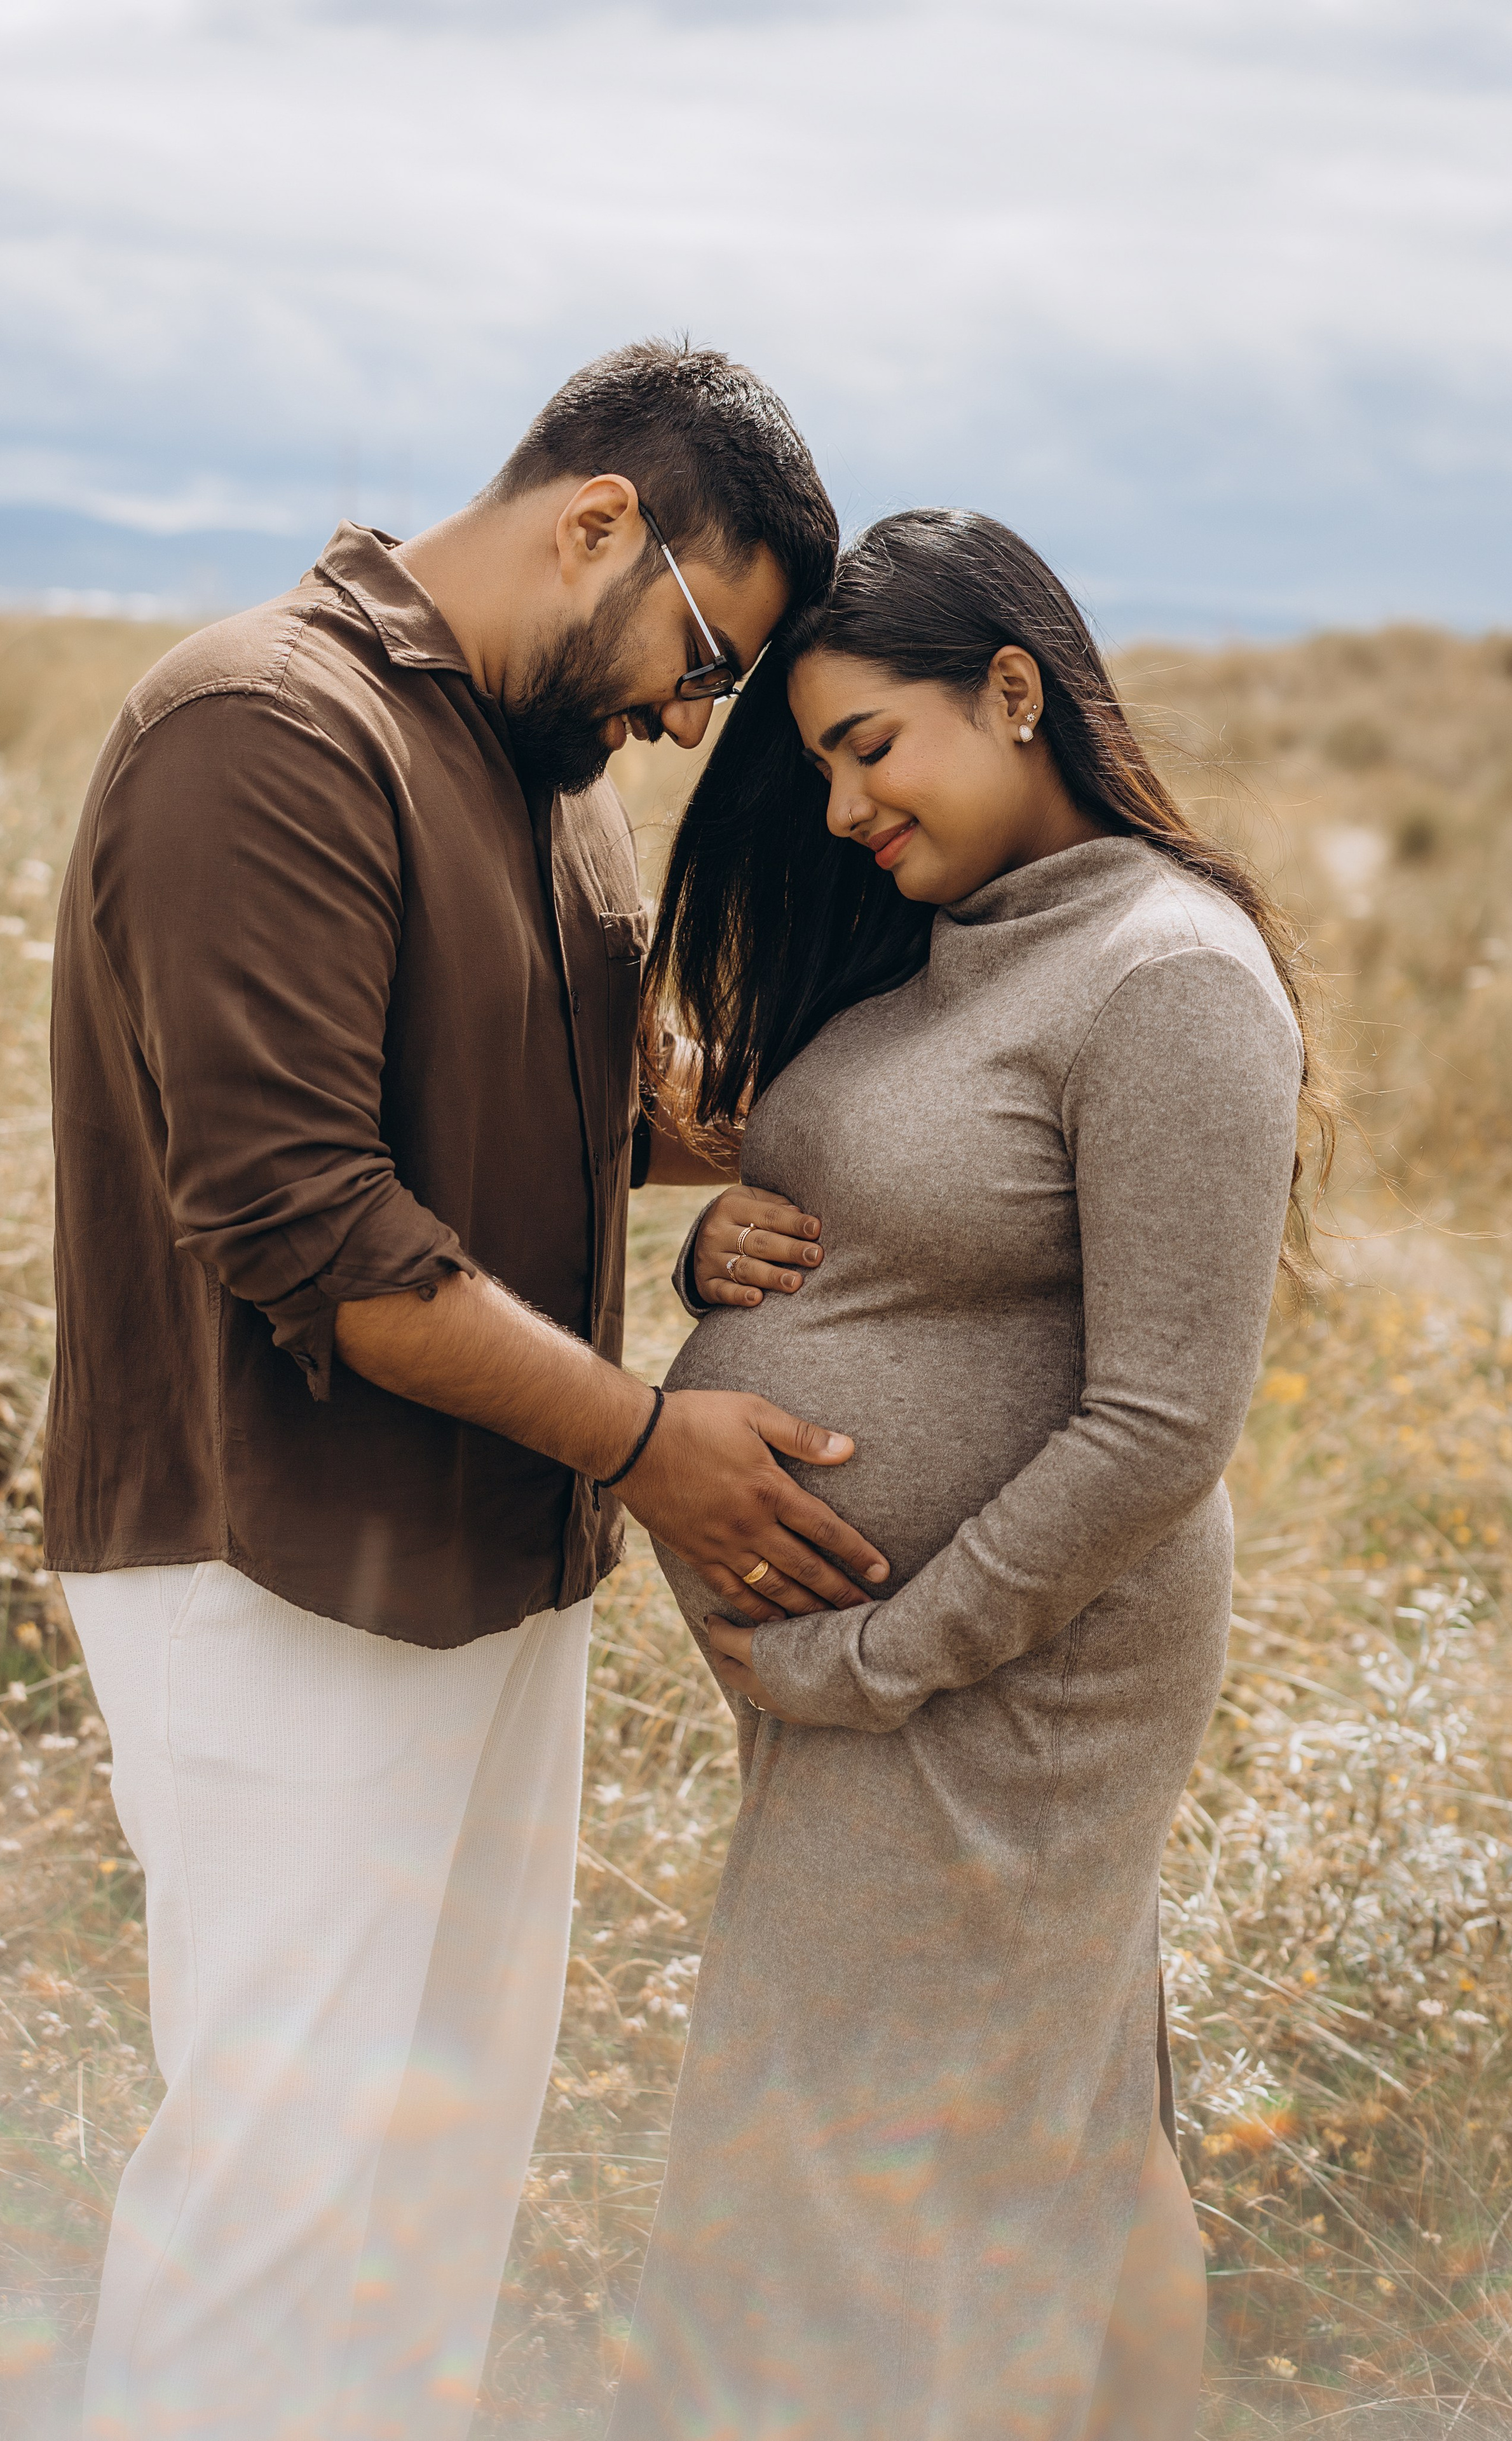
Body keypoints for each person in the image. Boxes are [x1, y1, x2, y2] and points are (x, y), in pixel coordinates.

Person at [43, 339, 897, 2441]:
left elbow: (550, 1095)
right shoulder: (264, 729)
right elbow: (308, 1218)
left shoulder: (552, 777)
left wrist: (815, 1119)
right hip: (277, 1567)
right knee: (279, 2188)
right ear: (597, 517)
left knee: (433, 2188)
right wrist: (647, 1445)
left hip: (500, 1563)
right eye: (705, 656)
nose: (691, 719)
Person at [608, 509, 1326, 2441]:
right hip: (910, 1675)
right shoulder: (962, 945)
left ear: (1016, 692)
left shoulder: (1166, 974)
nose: (843, 812)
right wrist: (710, 1259)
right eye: (819, 761)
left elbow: (1167, 1423)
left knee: (856, 2161)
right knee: (1063, 2119)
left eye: (871, 749)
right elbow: (866, 1214)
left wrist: (883, 1655)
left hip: (1007, 1678)